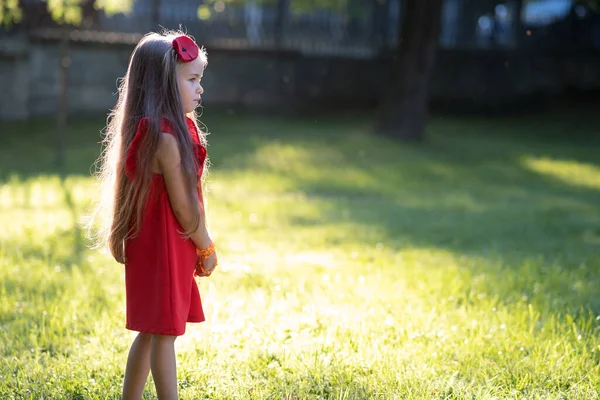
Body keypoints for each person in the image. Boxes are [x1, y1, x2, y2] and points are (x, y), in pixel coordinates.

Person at [87, 30, 217, 400]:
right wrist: (206, 248)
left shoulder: (164, 131)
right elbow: (185, 208)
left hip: (161, 246)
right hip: (165, 247)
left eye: (200, 80)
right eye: (192, 80)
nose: (200, 88)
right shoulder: (166, 139)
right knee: (164, 334)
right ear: (163, 84)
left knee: (151, 330)